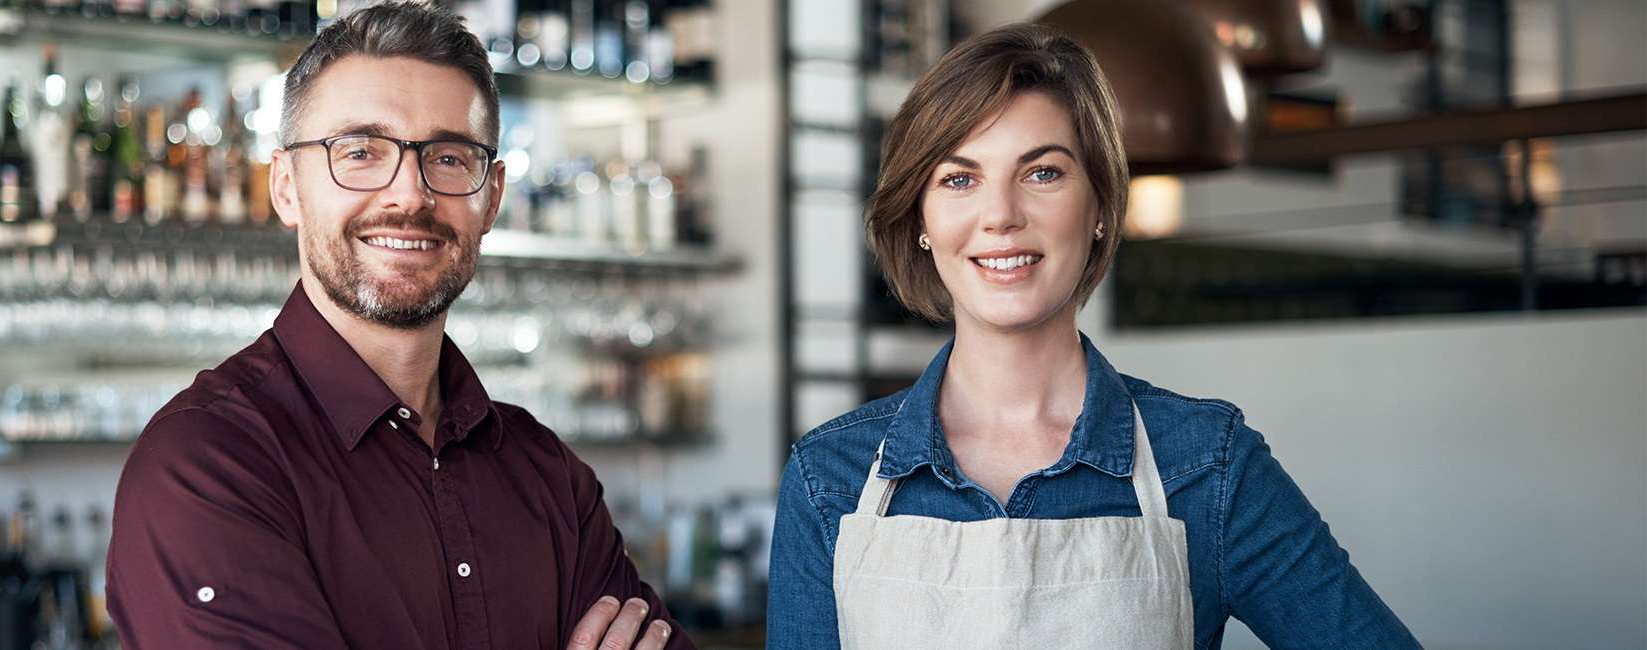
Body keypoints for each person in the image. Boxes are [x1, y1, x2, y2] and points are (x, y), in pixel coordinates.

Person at [765, 22, 1419, 649]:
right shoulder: (829, 479)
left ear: (1100, 207)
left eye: (1042, 172)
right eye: (960, 179)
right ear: (921, 219)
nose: (1001, 216)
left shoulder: (1208, 466)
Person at [106, 4, 686, 649]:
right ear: (286, 188)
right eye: (359, 152)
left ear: (491, 197)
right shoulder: (207, 465)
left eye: (448, 157)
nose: (409, 194)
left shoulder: (548, 473)